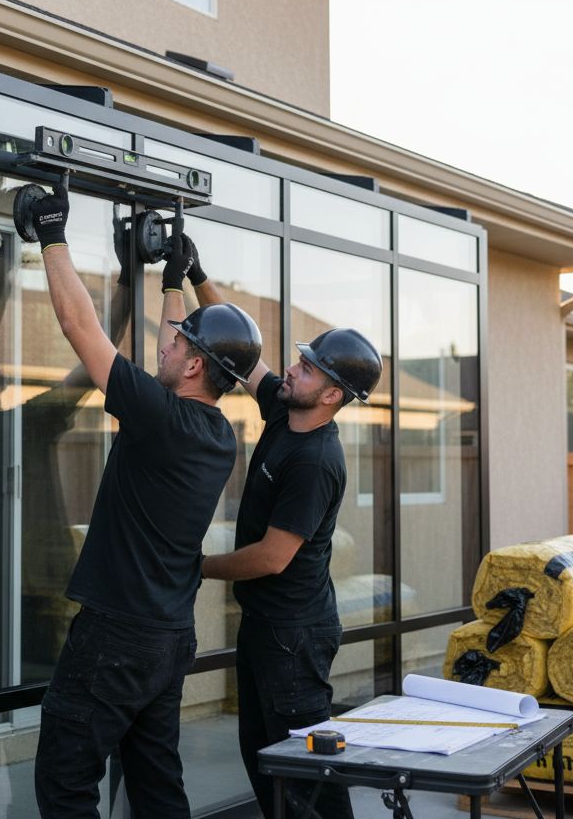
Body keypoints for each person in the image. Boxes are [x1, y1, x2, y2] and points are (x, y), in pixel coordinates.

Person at [25, 186, 263, 818]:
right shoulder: (215, 432)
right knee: (156, 779)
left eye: (178, 344)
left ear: (192, 368)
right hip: (166, 636)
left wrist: (52, 235)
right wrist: (171, 277)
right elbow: (174, 342)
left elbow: (80, 326)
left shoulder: (160, 418)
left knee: (67, 775)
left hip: (116, 635)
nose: (166, 345)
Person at [191, 250, 382, 819]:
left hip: (293, 636)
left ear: (330, 395)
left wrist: (195, 565)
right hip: (268, 626)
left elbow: (274, 557)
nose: (291, 369)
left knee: (309, 779)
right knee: (266, 762)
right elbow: (241, 352)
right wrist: (199, 274)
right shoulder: (284, 408)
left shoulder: (315, 460)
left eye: (308, 367)